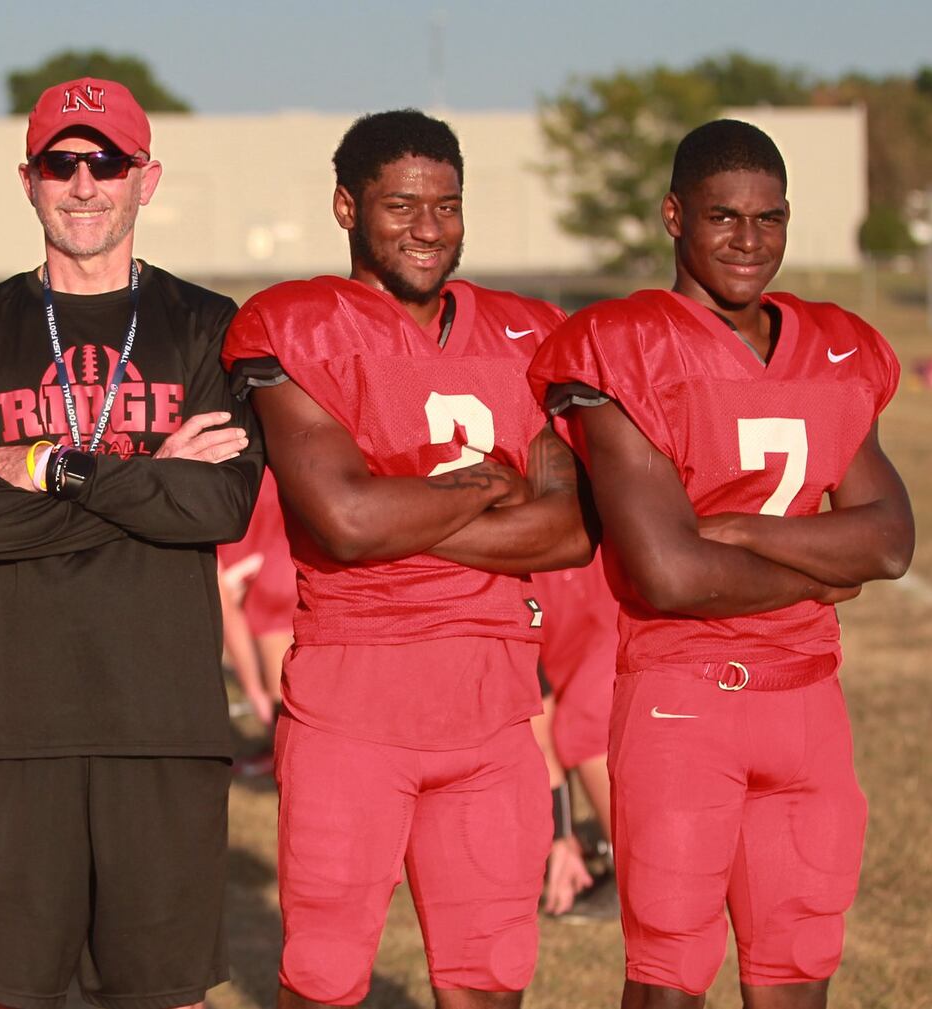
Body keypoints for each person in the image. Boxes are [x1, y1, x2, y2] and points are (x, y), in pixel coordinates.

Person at [528, 119, 914, 1007]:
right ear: (674, 216)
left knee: (796, 972)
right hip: (683, 699)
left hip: (811, 701)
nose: (749, 241)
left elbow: (888, 539)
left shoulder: (834, 347)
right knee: (669, 976)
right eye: (724, 217)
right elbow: (668, 573)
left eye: (769, 218)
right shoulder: (621, 344)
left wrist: (733, 530)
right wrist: (824, 566)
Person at [224, 109, 595, 1009]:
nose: (428, 228)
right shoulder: (294, 322)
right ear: (347, 207)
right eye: (402, 205)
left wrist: (405, 509)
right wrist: (489, 483)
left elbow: (574, 530)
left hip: (495, 712)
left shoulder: (525, 334)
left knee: (490, 980)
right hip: (351, 714)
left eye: (447, 206)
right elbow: (344, 520)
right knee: (324, 980)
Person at [0, 77, 262, 1009]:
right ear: (27, 180)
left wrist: (51, 466)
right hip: (10, 725)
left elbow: (217, 506)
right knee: (2, 996)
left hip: (164, 720)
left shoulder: (209, 328)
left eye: (106, 161)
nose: (83, 184)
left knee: (164, 994)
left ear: (147, 178)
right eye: (60, 163)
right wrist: (151, 472)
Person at [528, 552, 618, 916]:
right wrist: (559, 834)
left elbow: (544, 737)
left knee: (581, 725)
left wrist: (558, 837)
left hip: (617, 629)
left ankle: (631, 874)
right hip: (584, 646)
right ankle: (597, 842)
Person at [217, 468, 295, 730]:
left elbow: (228, 613)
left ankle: (279, 733)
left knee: (283, 701)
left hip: (273, 578)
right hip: (295, 547)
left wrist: (252, 689)